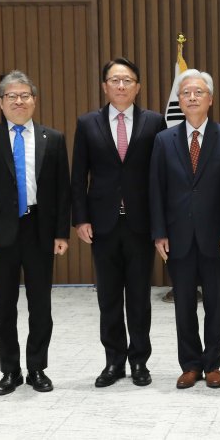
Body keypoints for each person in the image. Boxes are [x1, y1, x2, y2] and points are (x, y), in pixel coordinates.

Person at [0, 70, 70, 395]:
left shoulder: (52, 138)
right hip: (0, 236)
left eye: (24, 95)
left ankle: (37, 368)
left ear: (34, 100)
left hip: (40, 229)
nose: (18, 101)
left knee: (41, 305)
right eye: (11, 96)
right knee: (5, 307)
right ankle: (10, 370)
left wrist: (61, 233)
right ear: (1, 102)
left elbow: (61, 191)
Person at [71, 58, 166, 388]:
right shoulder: (87, 124)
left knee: (139, 296)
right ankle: (114, 361)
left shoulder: (154, 122)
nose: (121, 86)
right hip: (103, 224)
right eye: (115, 80)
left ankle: (140, 361)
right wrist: (80, 218)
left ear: (138, 86)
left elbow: (161, 176)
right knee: (109, 297)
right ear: (104, 86)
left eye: (128, 80)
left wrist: (161, 225)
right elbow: (78, 174)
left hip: (141, 224)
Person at [149, 69, 220, 390]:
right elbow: (155, 190)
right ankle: (190, 364)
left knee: (216, 303)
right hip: (178, 239)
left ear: (210, 99)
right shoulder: (163, 140)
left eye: (198, 92)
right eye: (185, 93)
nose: (191, 97)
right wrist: (159, 233)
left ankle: (212, 364)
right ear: (179, 101)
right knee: (183, 304)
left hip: (216, 238)